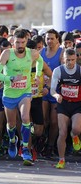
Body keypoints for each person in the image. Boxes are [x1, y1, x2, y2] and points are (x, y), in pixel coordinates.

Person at [0, 29, 43, 166]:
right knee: (11, 124)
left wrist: (38, 75)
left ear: (26, 41)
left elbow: (41, 61)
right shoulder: (7, 53)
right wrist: (11, 78)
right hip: (9, 94)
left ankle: (25, 147)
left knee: (26, 118)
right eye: (17, 42)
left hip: (25, 92)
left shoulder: (31, 53)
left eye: (23, 42)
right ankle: (12, 140)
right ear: (12, 42)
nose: (20, 45)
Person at [51, 48, 81, 169]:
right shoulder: (58, 71)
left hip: (77, 104)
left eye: (73, 60)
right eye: (68, 60)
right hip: (63, 103)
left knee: (76, 129)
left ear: (76, 58)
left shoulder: (79, 70)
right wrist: (57, 95)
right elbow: (53, 89)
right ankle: (61, 159)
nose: (70, 63)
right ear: (63, 59)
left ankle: (74, 135)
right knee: (62, 133)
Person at [40, 29, 64, 157]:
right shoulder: (41, 52)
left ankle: (50, 145)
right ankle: (41, 142)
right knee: (44, 119)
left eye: (52, 38)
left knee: (54, 122)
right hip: (43, 90)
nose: (49, 41)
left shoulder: (62, 53)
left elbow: (64, 72)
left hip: (56, 91)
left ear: (57, 40)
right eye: (47, 38)